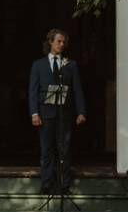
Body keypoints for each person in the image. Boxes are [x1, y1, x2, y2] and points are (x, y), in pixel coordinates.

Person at [28, 29, 86, 195]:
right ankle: (46, 184)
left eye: (63, 42)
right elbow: (33, 91)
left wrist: (81, 112)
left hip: (64, 114)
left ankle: (64, 185)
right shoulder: (38, 65)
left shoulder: (70, 64)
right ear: (50, 42)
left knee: (64, 150)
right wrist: (34, 113)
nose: (62, 45)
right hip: (45, 114)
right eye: (58, 41)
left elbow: (77, 90)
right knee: (46, 150)